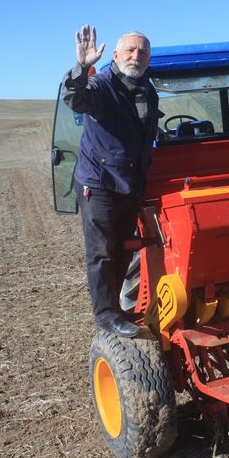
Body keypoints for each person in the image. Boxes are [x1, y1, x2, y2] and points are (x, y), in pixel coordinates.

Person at [61, 24, 161, 338]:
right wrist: (82, 66)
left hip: (130, 182)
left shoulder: (148, 89)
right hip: (100, 182)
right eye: (130, 50)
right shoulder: (102, 85)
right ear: (116, 55)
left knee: (124, 248)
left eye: (142, 52)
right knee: (102, 251)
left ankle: (116, 309)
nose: (136, 56)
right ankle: (106, 315)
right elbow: (76, 99)